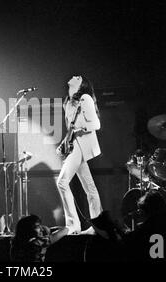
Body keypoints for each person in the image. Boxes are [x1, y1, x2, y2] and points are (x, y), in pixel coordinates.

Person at [56, 75, 103, 235]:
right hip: (75, 144)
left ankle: (73, 225)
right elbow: (70, 129)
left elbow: (96, 124)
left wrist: (79, 128)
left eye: (78, 77)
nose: (75, 76)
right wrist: (63, 143)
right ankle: (98, 225)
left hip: (81, 145)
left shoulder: (85, 98)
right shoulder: (67, 102)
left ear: (81, 85)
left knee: (62, 182)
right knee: (90, 188)